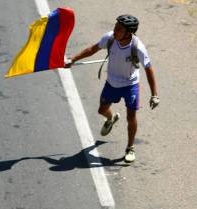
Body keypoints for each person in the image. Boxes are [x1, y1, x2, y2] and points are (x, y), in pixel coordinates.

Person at [65, 14, 159, 163]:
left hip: (130, 85)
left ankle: (130, 148)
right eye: (115, 27)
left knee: (131, 117)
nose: (115, 30)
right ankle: (111, 118)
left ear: (129, 33)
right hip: (111, 83)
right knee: (101, 110)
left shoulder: (137, 47)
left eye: (119, 29)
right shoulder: (110, 38)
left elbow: (148, 69)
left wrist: (154, 95)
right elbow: (92, 49)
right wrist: (72, 59)